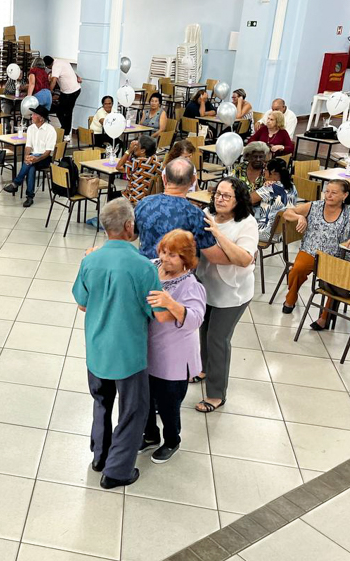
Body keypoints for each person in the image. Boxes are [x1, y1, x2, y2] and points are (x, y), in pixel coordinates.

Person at [72, 198, 175, 489]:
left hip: (97, 349)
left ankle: (100, 456)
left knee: (102, 402)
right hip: (129, 353)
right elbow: (160, 314)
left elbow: (82, 304)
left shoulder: (90, 261)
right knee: (134, 410)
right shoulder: (143, 267)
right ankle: (117, 471)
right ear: (130, 226)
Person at [194, 178, 259, 413]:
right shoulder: (206, 213)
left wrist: (218, 234)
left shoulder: (247, 223)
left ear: (237, 200)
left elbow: (244, 259)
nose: (219, 199)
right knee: (203, 330)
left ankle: (216, 394)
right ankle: (202, 368)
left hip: (233, 292)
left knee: (217, 339)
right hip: (206, 286)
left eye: (226, 196)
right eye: (218, 194)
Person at [142, 229, 206, 464]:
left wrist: (170, 303)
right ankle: (149, 436)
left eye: (173, 255)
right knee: (145, 400)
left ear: (186, 259)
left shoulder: (191, 285)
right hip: (148, 351)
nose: (165, 258)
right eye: (164, 252)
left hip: (173, 359)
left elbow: (195, 319)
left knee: (168, 405)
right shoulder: (153, 266)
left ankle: (172, 440)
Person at [282, 180, 350, 329]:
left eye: (334, 193)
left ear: (345, 195)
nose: (328, 195)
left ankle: (324, 317)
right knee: (297, 269)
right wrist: (299, 217)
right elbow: (287, 213)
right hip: (311, 250)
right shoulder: (314, 206)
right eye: (327, 191)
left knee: (336, 283)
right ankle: (291, 297)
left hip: (337, 256)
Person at [134, 158, 218, 260]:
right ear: (193, 180)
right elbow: (214, 257)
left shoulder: (144, 203)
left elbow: (132, 236)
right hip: (177, 273)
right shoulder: (195, 215)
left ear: (164, 178)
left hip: (146, 270)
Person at [2, 105, 55, 207]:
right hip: (32, 156)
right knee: (31, 166)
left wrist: (36, 159)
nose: (32, 116)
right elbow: (28, 146)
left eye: (35, 114)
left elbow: (48, 152)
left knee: (31, 164)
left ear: (41, 118)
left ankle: (16, 183)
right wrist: (27, 156)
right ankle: (29, 197)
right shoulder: (31, 128)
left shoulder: (50, 130)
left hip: (45, 158)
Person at [252, 157, 297, 242]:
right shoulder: (292, 186)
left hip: (265, 233)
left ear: (272, 172)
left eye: (265, 169)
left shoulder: (270, 187)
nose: (263, 172)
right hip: (283, 232)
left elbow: (248, 199)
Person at [45, 55, 82, 139]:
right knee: (60, 111)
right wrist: (77, 77)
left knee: (67, 112)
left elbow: (54, 80)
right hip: (66, 91)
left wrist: (48, 92)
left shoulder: (55, 66)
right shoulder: (61, 61)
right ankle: (64, 128)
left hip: (72, 91)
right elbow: (70, 72)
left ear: (48, 65)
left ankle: (66, 133)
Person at [117, 134, 160, 205]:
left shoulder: (136, 163)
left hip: (134, 198)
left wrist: (129, 151)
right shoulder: (156, 161)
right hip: (150, 198)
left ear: (143, 150)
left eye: (137, 145)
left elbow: (119, 167)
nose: (134, 147)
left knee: (112, 195)